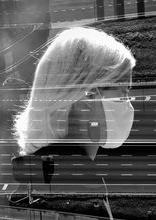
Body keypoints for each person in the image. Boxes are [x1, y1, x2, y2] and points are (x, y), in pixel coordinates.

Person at [13, 27, 136, 161]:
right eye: (123, 93)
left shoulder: (42, 169)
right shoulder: (75, 175)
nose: (128, 104)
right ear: (88, 97)